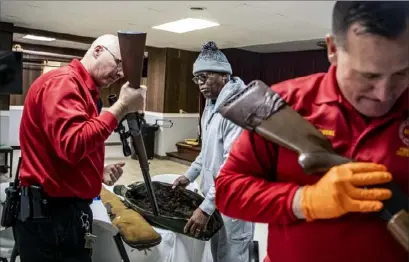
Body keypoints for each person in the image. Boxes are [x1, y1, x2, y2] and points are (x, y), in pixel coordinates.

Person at [215, 2, 408, 262]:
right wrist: (305, 200)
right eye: (368, 76)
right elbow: (229, 192)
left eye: (402, 73)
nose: (384, 94)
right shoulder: (279, 105)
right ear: (332, 49)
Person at [14, 34, 146, 262]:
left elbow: (65, 151)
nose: (121, 73)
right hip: (51, 218)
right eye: (118, 63)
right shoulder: (64, 83)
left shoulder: (82, 89)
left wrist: (96, 172)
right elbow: (72, 144)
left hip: (58, 213)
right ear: (97, 51)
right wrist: (122, 106)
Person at [172, 41, 255, 262]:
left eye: (205, 77)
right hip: (217, 198)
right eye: (197, 78)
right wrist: (188, 176)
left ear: (224, 76)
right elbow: (206, 152)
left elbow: (233, 167)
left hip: (235, 202)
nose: (200, 84)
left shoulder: (238, 109)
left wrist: (206, 207)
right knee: (219, 255)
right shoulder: (210, 106)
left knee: (233, 256)